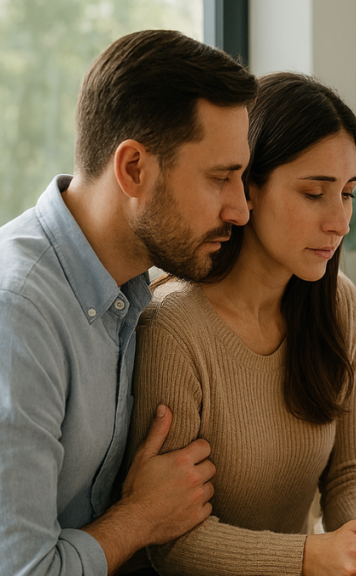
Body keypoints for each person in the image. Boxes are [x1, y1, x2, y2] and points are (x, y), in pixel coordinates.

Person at [124, 72, 356, 576]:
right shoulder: (173, 329)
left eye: (348, 193)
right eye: (314, 193)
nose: (341, 221)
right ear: (248, 188)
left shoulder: (338, 304)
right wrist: (313, 556)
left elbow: (353, 470)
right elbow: (170, 544)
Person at [0, 30, 257, 576]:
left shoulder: (133, 292)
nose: (240, 209)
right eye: (221, 178)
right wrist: (139, 518)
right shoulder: (17, 313)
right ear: (134, 169)